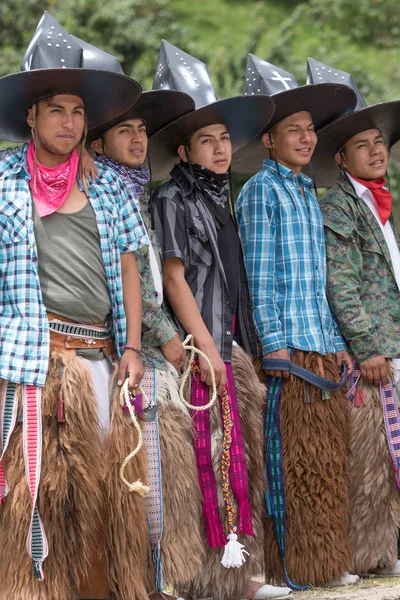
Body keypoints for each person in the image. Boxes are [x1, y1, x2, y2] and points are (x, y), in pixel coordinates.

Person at [0, 12, 150, 600]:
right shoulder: (5, 181)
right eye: (56, 109)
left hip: (100, 355)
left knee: (105, 490)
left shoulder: (106, 183)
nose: (68, 121)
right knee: (37, 492)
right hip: (35, 357)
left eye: (78, 111)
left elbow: (131, 266)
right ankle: (34, 590)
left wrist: (133, 346)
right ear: (31, 116)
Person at [150, 40, 290, 600]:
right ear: (184, 151)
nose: (220, 147)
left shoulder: (219, 198)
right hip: (195, 346)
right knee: (201, 463)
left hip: (229, 343)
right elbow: (175, 278)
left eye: (225, 138)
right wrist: (204, 345)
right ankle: (197, 580)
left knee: (239, 458)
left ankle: (236, 579)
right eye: (206, 140)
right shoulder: (173, 199)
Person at [235, 54, 357, 589]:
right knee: (293, 468)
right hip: (287, 354)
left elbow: (318, 281)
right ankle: (293, 566)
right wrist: (275, 347)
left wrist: (335, 343)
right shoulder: (261, 190)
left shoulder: (308, 191)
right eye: (293, 131)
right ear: (268, 139)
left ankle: (327, 562)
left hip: (319, 344)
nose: (306, 140)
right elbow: (261, 279)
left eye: (310, 131)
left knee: (327, 464)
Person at [89, 82, 206, 599]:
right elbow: (124, 280)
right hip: (129, 346)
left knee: (163, 467)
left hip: (153, 345)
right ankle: (147, 582)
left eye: (141, 130)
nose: (138, 139)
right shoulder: (103, 189)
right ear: (98, 143)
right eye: (124, 130)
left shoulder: (135, 190)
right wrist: (167, 337)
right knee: (142, 468)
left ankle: (162, 578)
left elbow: (151, 275)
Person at [308, 58, 400, 577]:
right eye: (363, 144)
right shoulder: (340, 204)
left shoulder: (377, 203)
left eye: (380, 141)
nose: (376, 149)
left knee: (390, 451)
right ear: (341, 157)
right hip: (373, 351)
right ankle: (370, 553)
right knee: (370, 456)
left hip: (392, 342)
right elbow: (339, 280)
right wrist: (366, 346)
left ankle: (385, 548)